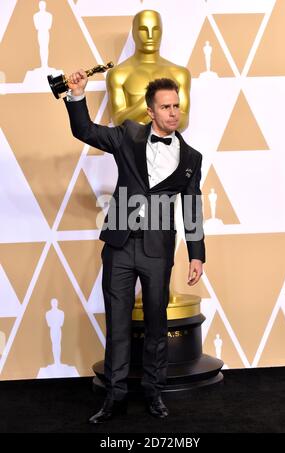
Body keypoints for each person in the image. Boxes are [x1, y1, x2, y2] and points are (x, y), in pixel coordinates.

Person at [64, 73, 205, 423]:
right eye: (166, 107)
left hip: (158, 250)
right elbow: (86, 131)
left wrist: (197, 253)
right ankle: (114, 398)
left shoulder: (191, 157)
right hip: (120, 245)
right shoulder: (128, 134)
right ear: (150, 110)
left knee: (157, 325)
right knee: (118, 324)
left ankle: (155, 394)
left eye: (176, 106)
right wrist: (77, 96)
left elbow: (192, 207)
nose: (173, 112)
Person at [106, 10, 191, 131]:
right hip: (132, 147)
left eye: (155, 29)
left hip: (169, 147)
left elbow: (183, 119)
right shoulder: (118, 74)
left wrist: (149, 121)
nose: (150, 35)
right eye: (143, 29)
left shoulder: (180, 74)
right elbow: (118, 121)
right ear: (134, 33)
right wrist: (153, 103)